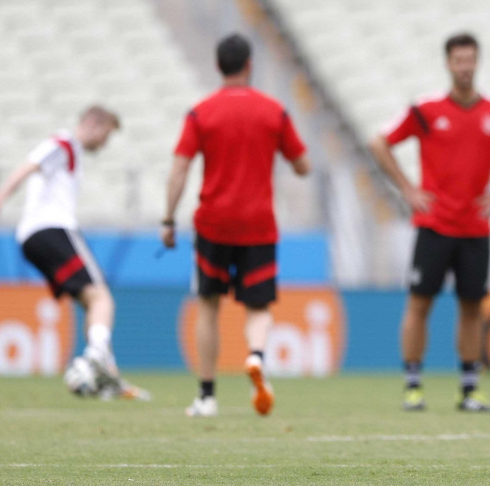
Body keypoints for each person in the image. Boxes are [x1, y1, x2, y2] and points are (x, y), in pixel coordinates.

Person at [369, 33, 490, 412]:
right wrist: (408, 189)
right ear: (448, 63)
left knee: (472, 307)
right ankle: (413, 386)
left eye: (470, 60)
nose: (465, 66)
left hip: (475, 227)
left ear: (477, 62)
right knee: (419, 302)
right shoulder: (425, 110)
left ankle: (469, 389)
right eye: (459, 60)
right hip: (434, 224)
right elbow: (379, 143)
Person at [162, 33, 310, 418]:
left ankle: (207, 396)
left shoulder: (201, 113)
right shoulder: (273, 111)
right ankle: (256, 356)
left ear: (218, 66)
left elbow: (180, 167)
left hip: (213, 223)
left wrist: (168, 218)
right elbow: (303, 165)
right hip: (258, 224)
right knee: (258, 307)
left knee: (209, 305)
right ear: (250, 65)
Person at [0, 106, 149, 400]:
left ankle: (109, 379)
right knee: (102, 297)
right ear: (94, 125)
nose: (104, 143)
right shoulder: (64, 143)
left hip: (33, 237)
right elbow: (26, 167)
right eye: (105, 134)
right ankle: (95, 358)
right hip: (51, 229)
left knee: (91, 302)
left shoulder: (71, 152)